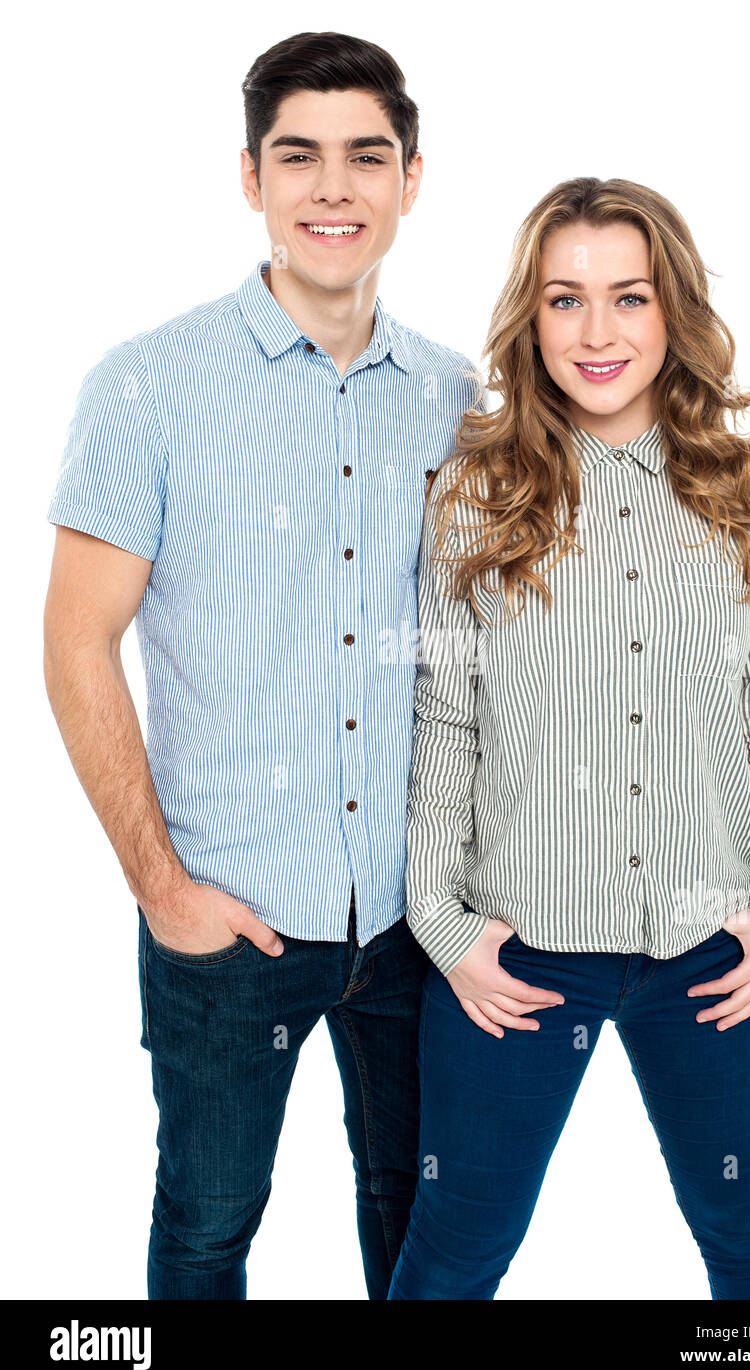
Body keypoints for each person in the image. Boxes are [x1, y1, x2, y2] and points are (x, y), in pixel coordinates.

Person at [43, 30, 481, 1301]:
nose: (332, 188)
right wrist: (160, 887)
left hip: (415, 917)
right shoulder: (147, 387)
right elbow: (77, 641)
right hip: (227, 918)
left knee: (419, 1221)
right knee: (206, 1226)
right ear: (250, 177)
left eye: (365, 156)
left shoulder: (460, 397)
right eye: (299, 156)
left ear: (411, 178)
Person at [387, 176, 750, 1301]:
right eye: (564, 299)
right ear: (529, 320)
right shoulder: (474, 497)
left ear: (670, 311)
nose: (597, 332)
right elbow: (446, 713)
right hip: (517, 953)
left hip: (714, 950)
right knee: (456, 1245)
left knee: (746, 1223)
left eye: (627, 297)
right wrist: (442, 921)